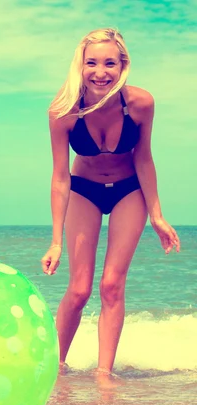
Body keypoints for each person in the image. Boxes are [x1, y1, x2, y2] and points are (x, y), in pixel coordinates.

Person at [41, 28, 180, 380]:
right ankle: (52, 368)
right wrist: (56, 240)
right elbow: (60, 177)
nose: (100, 72)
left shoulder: (140, 104)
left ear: (123, 65)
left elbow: (144, 159)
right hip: (84, 189)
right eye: (92, 63)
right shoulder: (63, 110)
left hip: (128, 190)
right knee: (79, 288)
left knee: (112, 285)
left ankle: (104, 374)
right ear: (80, 66)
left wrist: (157, 216)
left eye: (109, 63)